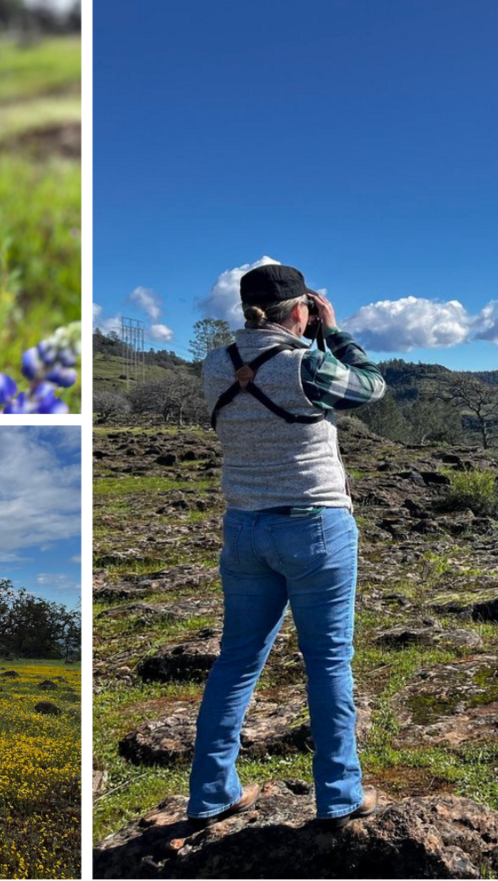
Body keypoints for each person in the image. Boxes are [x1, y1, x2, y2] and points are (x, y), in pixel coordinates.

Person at [188, 262, 387, 827]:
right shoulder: (306, 364)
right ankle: (340, 795)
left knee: (236, 662)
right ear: (300, 310)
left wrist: (309, 331)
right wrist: (336, 330)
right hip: (314, 526)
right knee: (327, 663)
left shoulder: (212, 366)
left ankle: (210, 793)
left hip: (244, 528)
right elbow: (371, 385)